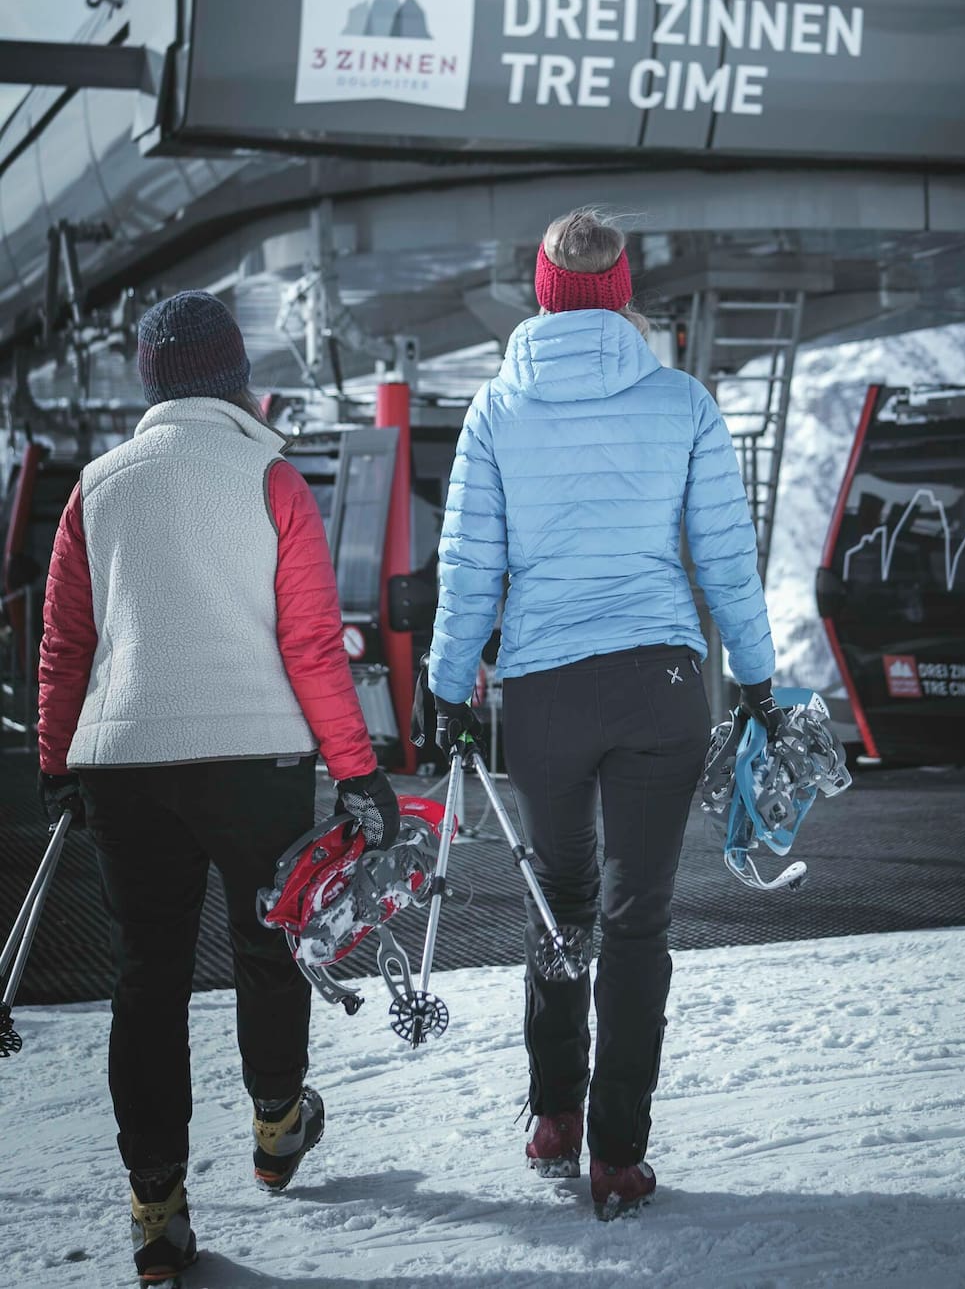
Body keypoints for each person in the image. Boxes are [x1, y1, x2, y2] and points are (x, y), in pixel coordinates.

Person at [36, 291, 399, 1285]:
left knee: (147, 977)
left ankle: (156, 1209)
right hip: (256, 755)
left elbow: (66, 642)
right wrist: (360, 771)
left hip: (125, 758)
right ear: (235, 375)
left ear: (152, 384)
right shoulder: (270, 473)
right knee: (267, 944)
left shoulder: (95, 486)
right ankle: (279, 1126)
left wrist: (57, 758)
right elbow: (312, 645)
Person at [421, 210, 776, 1218]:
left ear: (543, 290)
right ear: (622, 293)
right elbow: (725, 558)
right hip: (661, 684)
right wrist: (755, 678)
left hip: (543, 694)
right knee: (636, 917)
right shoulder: (684, 404)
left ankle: (553, 1116)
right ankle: (619, 1155)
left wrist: (447, 690)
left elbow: (471, 573)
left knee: (561, 903)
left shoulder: (496, 409)